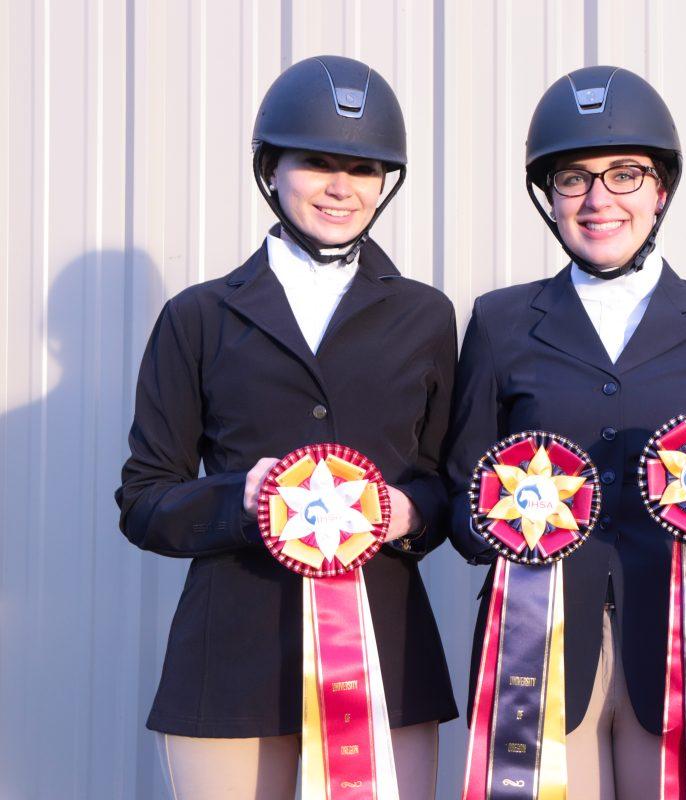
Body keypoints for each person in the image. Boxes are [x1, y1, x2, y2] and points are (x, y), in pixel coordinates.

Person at [115, 55, 457, 799]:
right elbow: (144, 501)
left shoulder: (427, 317)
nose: (342, 187)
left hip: (385, 658)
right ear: (271, 169)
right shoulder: (198, 318)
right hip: (231, 660)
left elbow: (446, 488)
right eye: (318, 163)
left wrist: (406, 512)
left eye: (364, 169)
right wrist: (245, 496)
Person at [445, 66, 686, 799]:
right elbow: (462, 501)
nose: (599, 199)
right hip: (539, 653)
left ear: (661, 190)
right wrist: (509, 519)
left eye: (625, 175)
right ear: (551, 198)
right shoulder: (500, 323)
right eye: (574, 178)